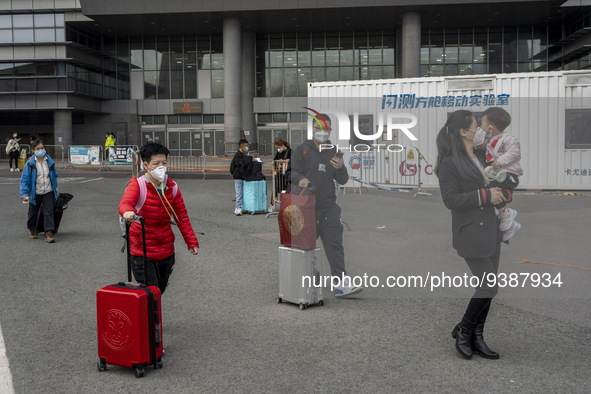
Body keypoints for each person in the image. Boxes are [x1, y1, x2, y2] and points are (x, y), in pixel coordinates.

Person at [435, 110, 507, 360]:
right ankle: (464, 330)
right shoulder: (449, 163)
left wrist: (503, 190)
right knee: (489, 285)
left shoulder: (479, 156)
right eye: (477, 126)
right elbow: (450, 199)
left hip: (492, 229)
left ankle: (478, 336)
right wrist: (486, 196)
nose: (481, 130)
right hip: (470, 232)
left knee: (486, 287)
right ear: (463, 132)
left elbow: (494, 183)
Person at [288, 115, 362, 298]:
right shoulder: (302, 150)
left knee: (335, 245)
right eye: (318, 127)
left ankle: (341, 284)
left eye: (326, 128)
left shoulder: (333, 151)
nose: (322, 131)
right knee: (304, 248)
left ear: (330, 130)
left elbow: (342, 180)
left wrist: (341, 167)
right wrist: (300, 179)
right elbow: (291, 172)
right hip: (306, 207)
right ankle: (303, 283)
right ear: (312, 129)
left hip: (329, 206)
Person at [119, 142, 199, 294]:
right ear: (146, 165)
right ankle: (150, 318)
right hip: (142, 251)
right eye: (156, 163)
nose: (161, 166)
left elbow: (181, 216)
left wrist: (191, 242)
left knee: (159, 290)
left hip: (166, 249)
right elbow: (125, 203)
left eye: (164, 163)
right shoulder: (138, 184)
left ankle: (152, 317)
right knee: (151, 292)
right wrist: (128, 212)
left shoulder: (172, 186)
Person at [479, 107, 523, 241]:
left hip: (508, 175)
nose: (480, 128)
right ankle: (511, 225)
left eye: (482, 124)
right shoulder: (488, 140)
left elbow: (515, 153)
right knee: (492, 192)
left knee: (493, 192)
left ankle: (506, 213)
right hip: (497, 174)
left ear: (490, 128)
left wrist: (500, 162)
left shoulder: (508, 139)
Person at [19, 139, 59, 243]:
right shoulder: (30, 164)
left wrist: (56, 190)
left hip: (48, 191)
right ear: (33, 150)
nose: (40, 150)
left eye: (42, 148)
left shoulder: (50, 162)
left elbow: (54, 176)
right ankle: (32, 229)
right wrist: (24, 193)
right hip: (35, 192)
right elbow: (25, 180)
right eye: (37, 149)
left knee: (49, 212)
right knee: (33, 213)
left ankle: (49, 233)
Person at [229, 139, 252, 216]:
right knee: (239, 192)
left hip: (241, 176)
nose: (247, 147)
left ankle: (242, 207)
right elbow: (239, 164)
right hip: (238, 176)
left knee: (242, 192)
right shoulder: (238, 155)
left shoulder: (242, 155)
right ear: (241, 146)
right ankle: (238, 208)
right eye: (246, 146)